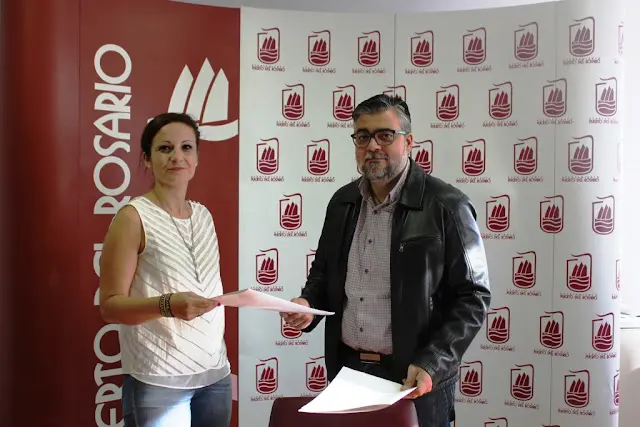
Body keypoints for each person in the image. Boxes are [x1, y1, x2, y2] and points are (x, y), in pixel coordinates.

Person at [281, 94, 491, 427]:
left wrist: (433, 362)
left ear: (409, 141)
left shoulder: (447, 205)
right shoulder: (342, 203)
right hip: (348, 372)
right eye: (363, 136)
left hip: (414, 376)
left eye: (385, 135)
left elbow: (473, 297)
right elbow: (323, 274)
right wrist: (308, 304)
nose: (373, 146)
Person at [99, 113, 232, 427]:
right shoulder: (133, 217)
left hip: (215, 377)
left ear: (196, 158)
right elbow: (110, 306)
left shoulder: (203, 216)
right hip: (158, 381)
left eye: (186, 147)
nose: (177, 157)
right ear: (147, 159)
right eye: (164, 148)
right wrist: (166, 305)